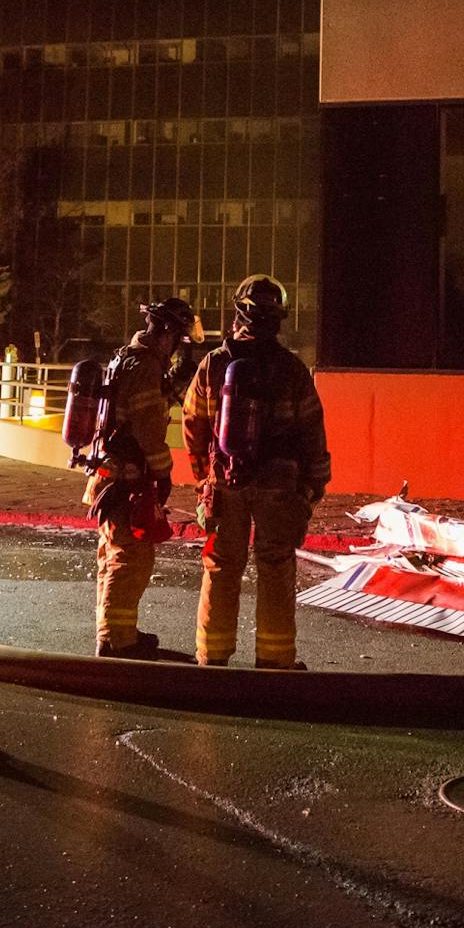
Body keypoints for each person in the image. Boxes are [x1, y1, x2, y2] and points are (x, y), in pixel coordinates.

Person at [185, 275, 331, 670]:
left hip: (225, 482)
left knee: (221, 565)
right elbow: (312, 431)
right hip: (278, 487)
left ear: (239, 314)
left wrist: (205, 480)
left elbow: (193, 425)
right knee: (276, 565)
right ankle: (275, 660)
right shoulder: (292, 370)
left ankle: (212, 657)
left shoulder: (214, 364)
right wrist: (314, 484)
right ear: (278, 319)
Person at [83, 296, 198, 658]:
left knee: (114, 555)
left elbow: (154, 402)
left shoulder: (127, 358)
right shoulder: (144, 366)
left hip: (110, 475)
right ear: (165, 335)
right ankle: (119, 643)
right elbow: (149, 429)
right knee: (130, 558)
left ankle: (114, 633)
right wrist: (164, 473)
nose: (177, 347)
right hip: (127, 479)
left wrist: (180, 374)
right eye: (177, 340)